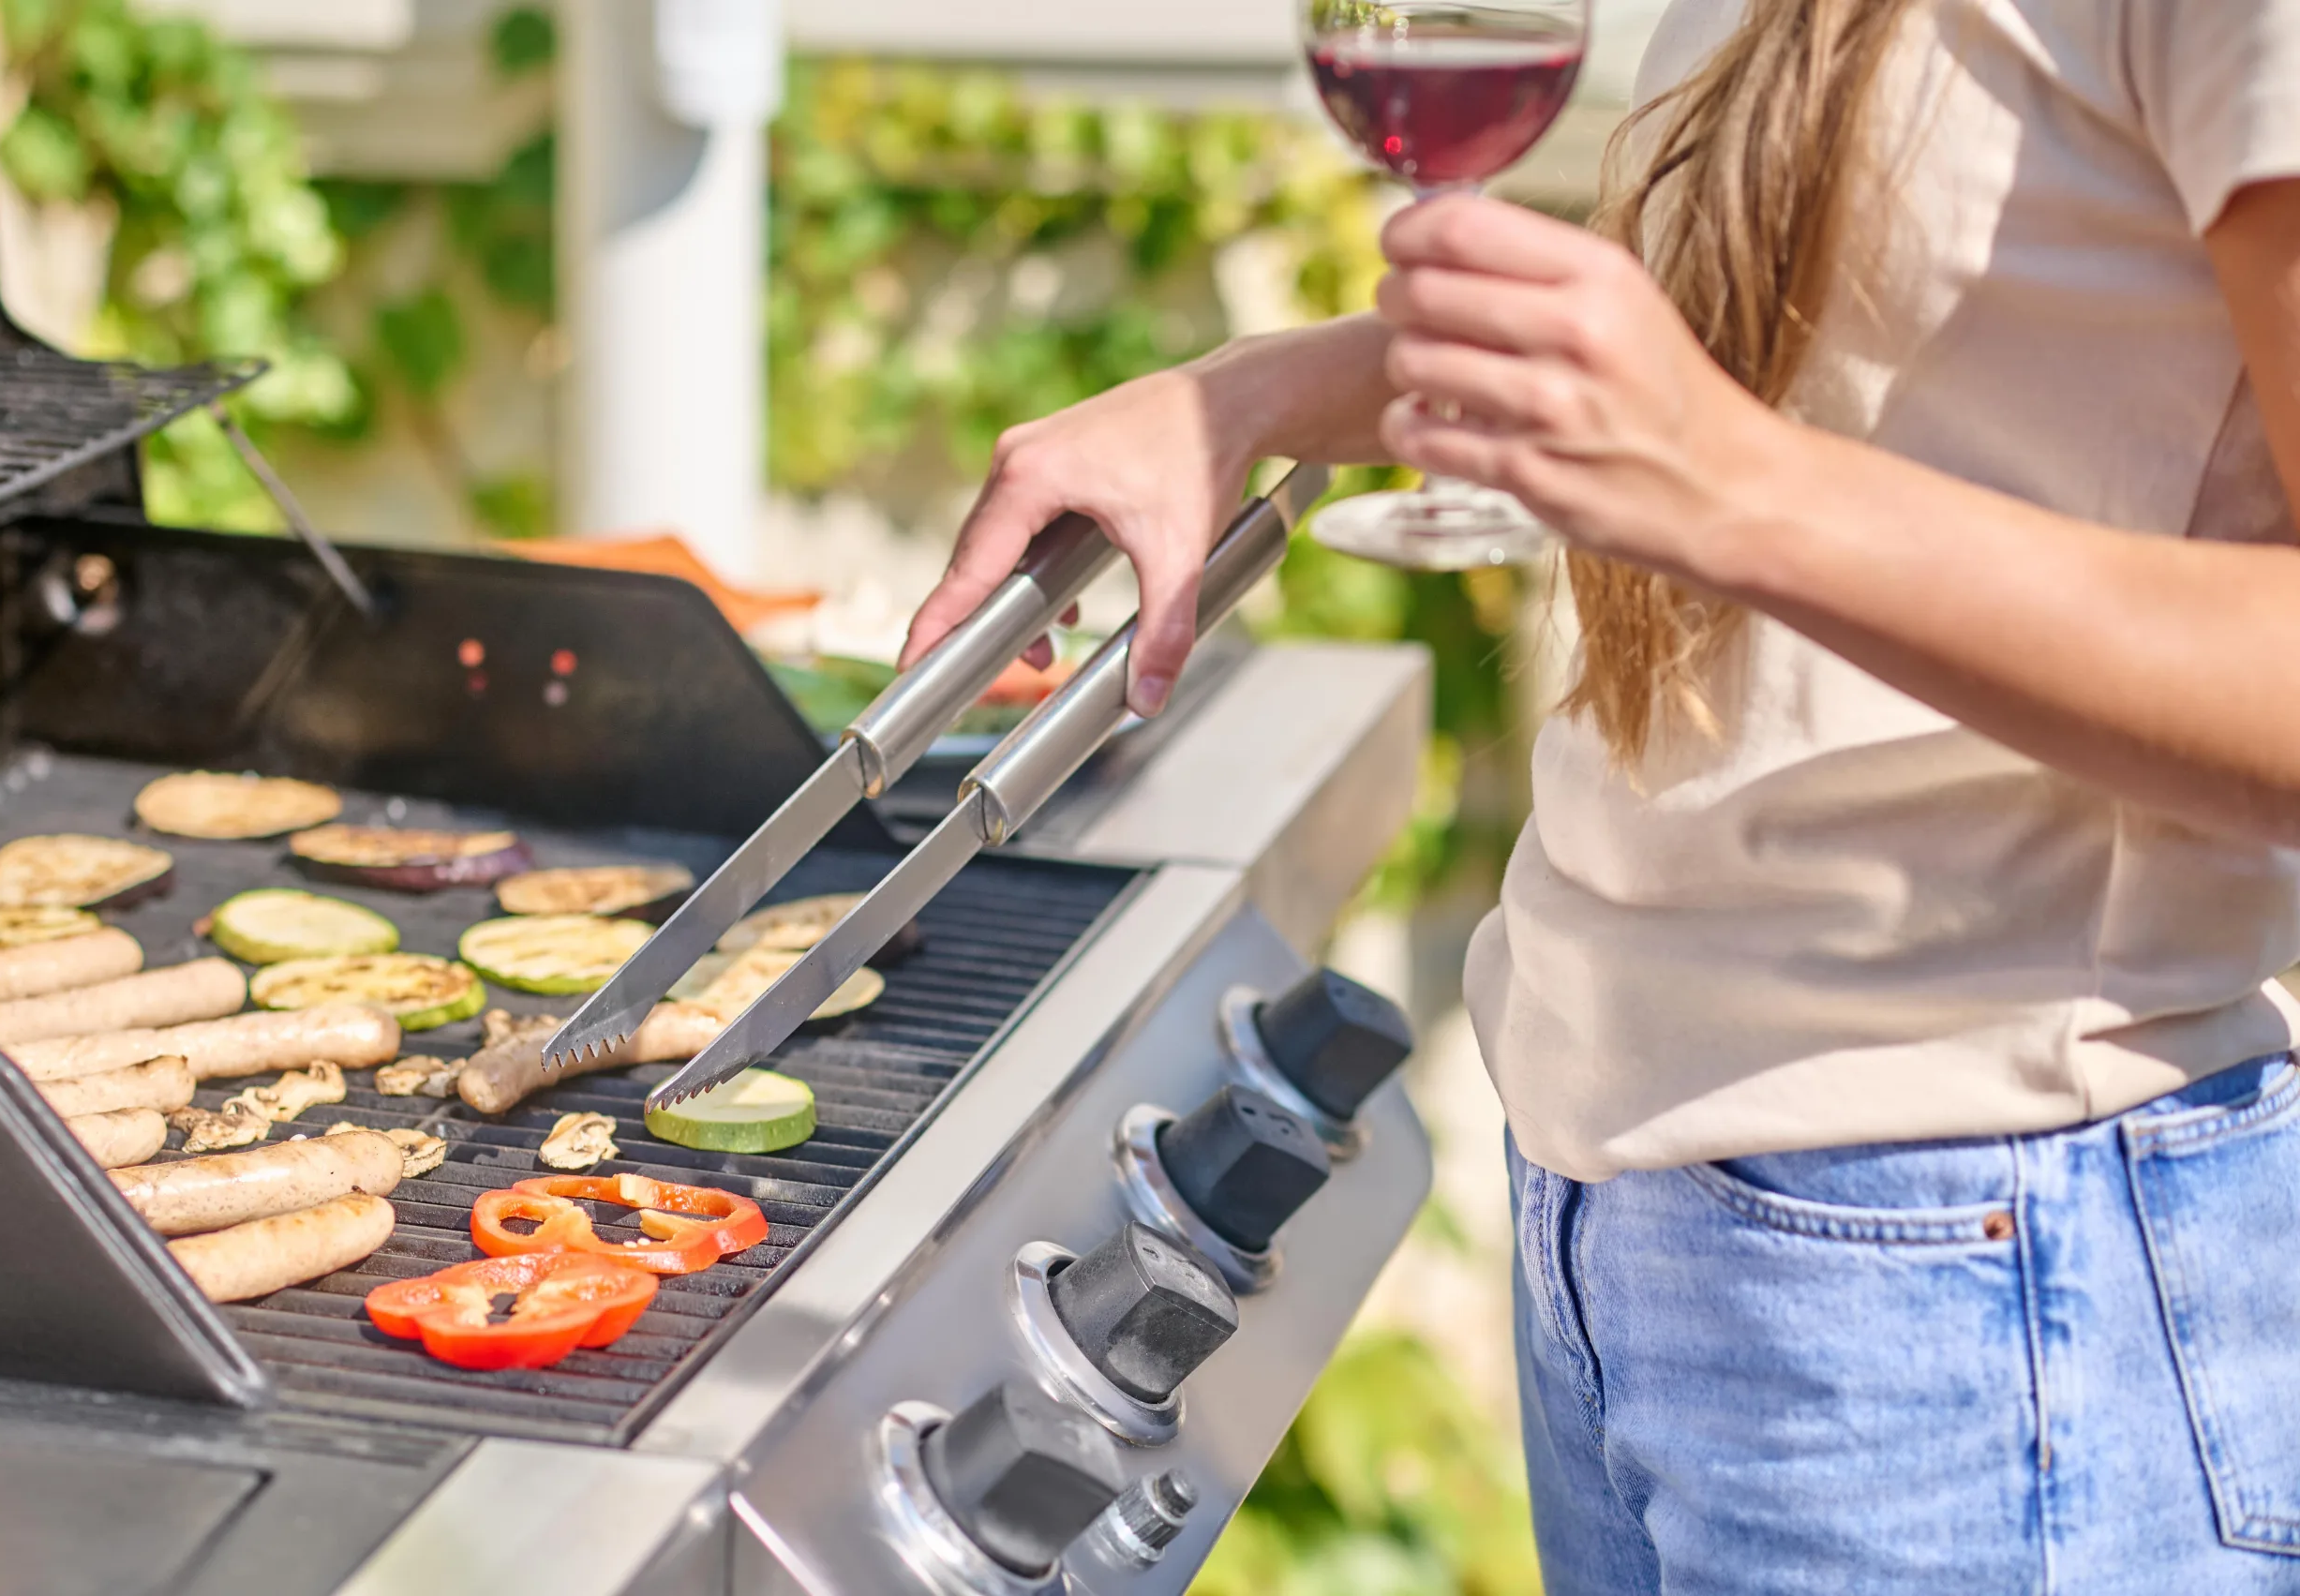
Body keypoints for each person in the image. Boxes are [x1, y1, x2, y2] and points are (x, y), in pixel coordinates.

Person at [905, 0, 2300, 1588]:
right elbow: (1780, 365)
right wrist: (1244, 395)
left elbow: (1732, 450)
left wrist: (1735, 489)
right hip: (1639, 1226)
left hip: (1978, 1286)